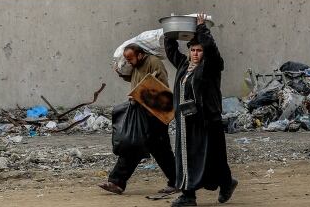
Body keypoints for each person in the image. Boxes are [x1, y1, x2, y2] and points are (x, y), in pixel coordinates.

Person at [164, 14, 238, 207]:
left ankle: (222, 184)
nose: (196, 53)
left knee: (214, 157)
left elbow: (212, 50)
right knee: (187, 156)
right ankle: (191, 194)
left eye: (199, 50)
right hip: (186, 122)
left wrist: (202, 28)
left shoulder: (211, 67)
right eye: (193, 50)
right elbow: (171, 49)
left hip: (206, 120)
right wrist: (170, 30)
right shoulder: (183, 66)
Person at [98, 44, 178, 197]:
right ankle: (117, 182)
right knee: (134, 145)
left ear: (140, 55)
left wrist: (142, 92)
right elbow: (135, 78)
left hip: (155, 115)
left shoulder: (154, 62)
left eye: (130, 58)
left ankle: (177, 181)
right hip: (141, 113)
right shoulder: (137, 65)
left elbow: (161, 88)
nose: (129, 62)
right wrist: (122, 74)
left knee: (161, 151)